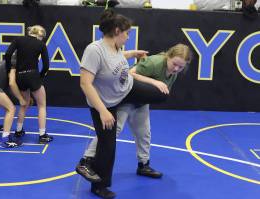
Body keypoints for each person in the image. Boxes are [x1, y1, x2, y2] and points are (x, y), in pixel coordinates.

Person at [76, 9, 171, 199]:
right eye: (127, 33)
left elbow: (115, 60)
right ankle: (96, 182)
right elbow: (85, 83)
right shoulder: (94, 50)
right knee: (108, 146)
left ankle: (129, 108)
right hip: (105, 103)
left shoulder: (116, 46)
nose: (128, 37)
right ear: (117, 30)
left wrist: (132, 54)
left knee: (161, 94)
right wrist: (103, 111)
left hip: (127, 89)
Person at [77, 44, 192, 181]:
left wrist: (155, 87)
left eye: (181, 67)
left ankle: (143, 165)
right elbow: (130, 74)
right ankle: (86, 160)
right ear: (169, 56)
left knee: (144, 132)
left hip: (141, 102)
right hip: (126, 97)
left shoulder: (174, 73)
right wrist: (154, 82)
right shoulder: (154, 62)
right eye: (175, 64)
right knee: (112, 130)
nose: (176, 69)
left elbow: (159, 91)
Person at [5, 25, 53, 144]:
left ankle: (18, 131)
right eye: (43, 37)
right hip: (33, 76)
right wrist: (40, 77)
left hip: (20, 76)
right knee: (42, 106)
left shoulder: (18, 40)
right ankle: (42, 135)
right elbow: (46, 65)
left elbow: (7, 55)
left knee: (23, 104)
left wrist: (8, 69)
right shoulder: (40, 44)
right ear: (40, 35)